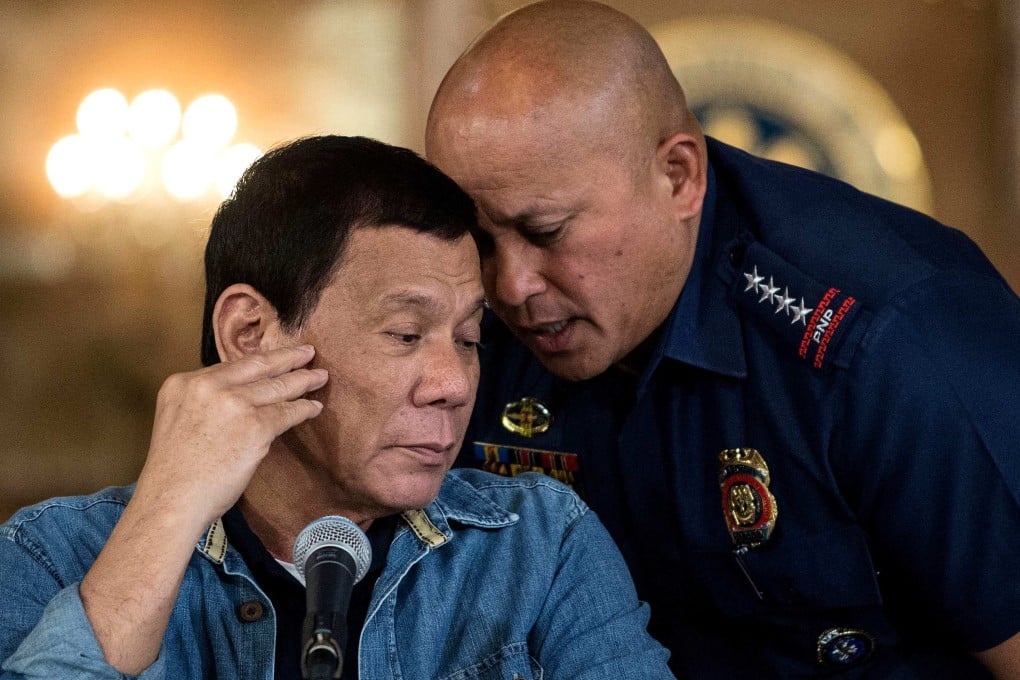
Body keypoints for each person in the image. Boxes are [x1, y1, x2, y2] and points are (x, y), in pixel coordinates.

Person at [425, 2, 1020, 678]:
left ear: (678, 175)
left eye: (547, 231)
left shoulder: (891, 340)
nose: (511, 286)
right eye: (477, 240)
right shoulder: (460, 324)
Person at [0, 135, 675, 679]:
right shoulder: (54, 555)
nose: (455, 383)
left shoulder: (537, 544)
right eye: (406, 334)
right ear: (250, 335)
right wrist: (169, 508)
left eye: (470, 339)